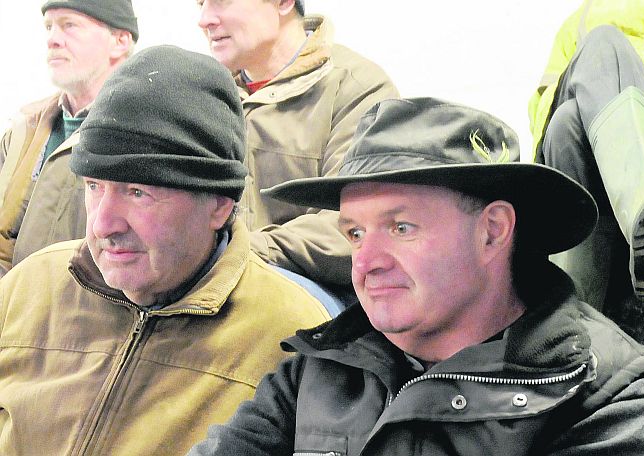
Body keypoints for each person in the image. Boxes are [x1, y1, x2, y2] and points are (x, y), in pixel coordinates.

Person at [188, 98, 644, 456]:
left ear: (493, 231)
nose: (366, 260)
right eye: (355, 233)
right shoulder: (320, 370)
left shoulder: (603, 401)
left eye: (401, 228)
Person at [0, 45, 331, 455]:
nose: (103, 225)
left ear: (219, 204)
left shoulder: (290, 336)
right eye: (93, 188)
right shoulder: (28, 287)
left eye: (138, 193)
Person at [196, 0, 398, 289]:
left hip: (316, 295)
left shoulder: (357, 88)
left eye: (221, 1)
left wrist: (230, 253)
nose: (204, 20)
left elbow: (356, 226)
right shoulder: (203, 97)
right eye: (200, 4)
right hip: (212, 283)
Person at [528, 0, 644, 364]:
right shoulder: (580, 21)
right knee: (566, 120)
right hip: (587, 138)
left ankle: (570, 325)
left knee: (567, 122)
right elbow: (543, 105)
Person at [0, 0, 138, 277]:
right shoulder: (22, 130)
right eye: (49, 27)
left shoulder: (147, 133)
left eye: (69, 25)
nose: (52, 40)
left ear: (119, 41)